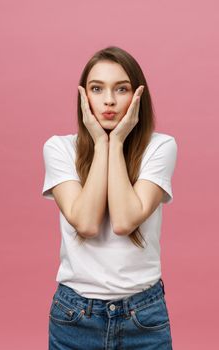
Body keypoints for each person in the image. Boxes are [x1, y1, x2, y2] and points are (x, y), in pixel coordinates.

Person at [42, 46, 177, 349]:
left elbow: (125, 221)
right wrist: (100, 145)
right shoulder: (59, 148)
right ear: (83, 97)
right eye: (97, 88)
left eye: (122, 89)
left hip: (142, 315)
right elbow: (86, 223)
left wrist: (116, 142)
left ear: (138, 96)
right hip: (75, 315)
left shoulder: (160, 147)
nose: (109, 100)